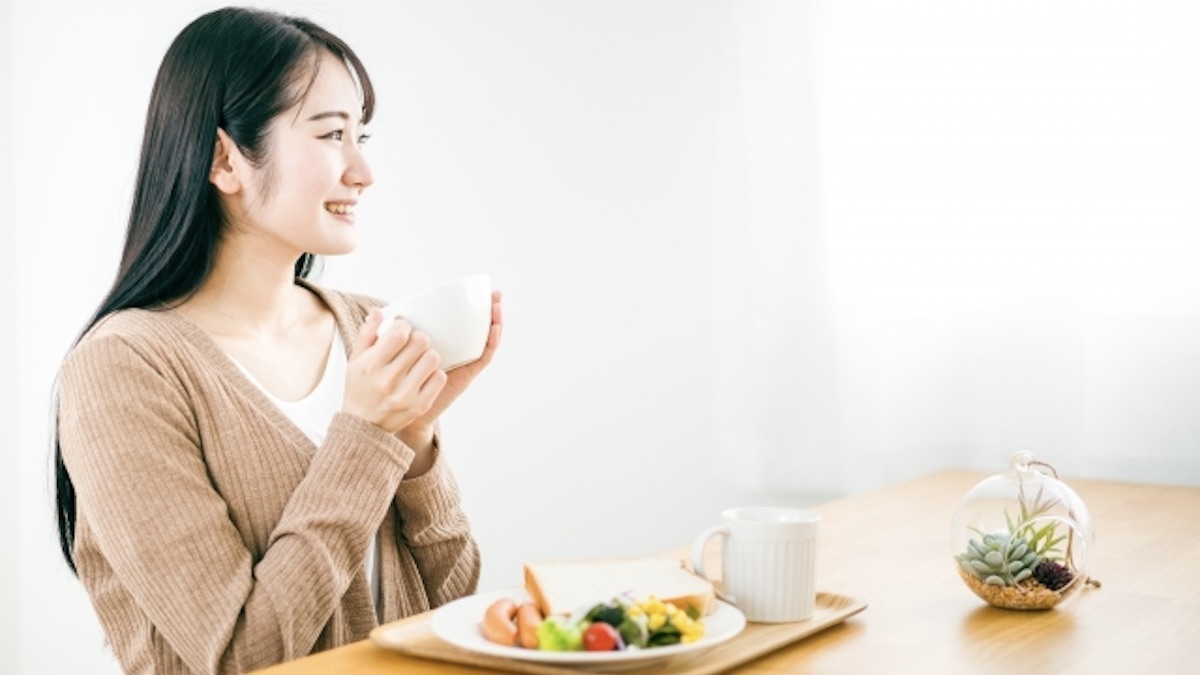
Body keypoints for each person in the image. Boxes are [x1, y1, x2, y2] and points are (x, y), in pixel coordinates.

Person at [50, 7, 502, 674]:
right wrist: (368, 436)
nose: (363, 171)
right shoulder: (125, 367)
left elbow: (456, 607)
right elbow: (235, 657)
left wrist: (416, 442)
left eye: (361, 135)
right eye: (331, 135)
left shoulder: (372, 329)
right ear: (225, 159)